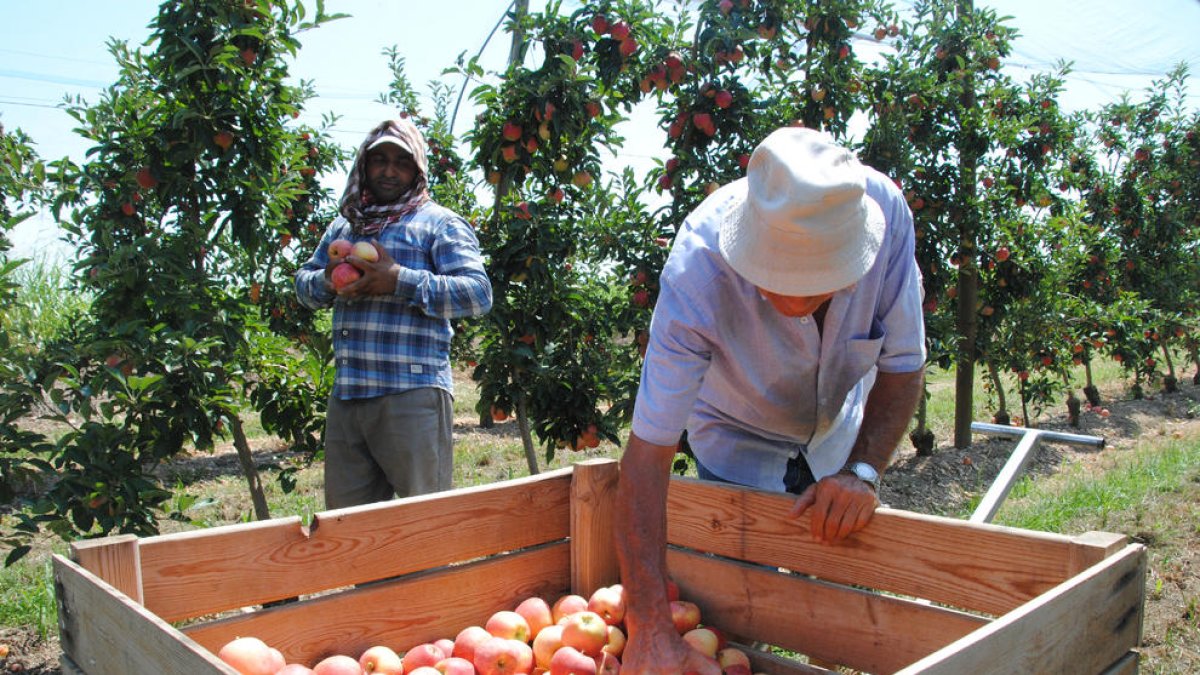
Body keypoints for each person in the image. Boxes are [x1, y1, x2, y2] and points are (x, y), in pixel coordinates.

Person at [614, 126, 926, 674]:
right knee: (746, 608)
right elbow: (646, 457)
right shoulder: (697, 271)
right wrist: (648, 625)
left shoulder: (884, 218)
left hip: (838, 434)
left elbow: (903, 365)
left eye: (814, 286)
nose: (791, 300)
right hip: (736, 434)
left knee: (832, 610)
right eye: (772, 279)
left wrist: (864, 470)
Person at [295, 118, 492, 509]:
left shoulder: (438, 223)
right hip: (349, 396)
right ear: (363, 167)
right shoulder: (346, 226)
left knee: (425, 522)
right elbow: (304, 284)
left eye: (401, 162)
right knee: (350, 530)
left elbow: (478, 294)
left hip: (410, 395)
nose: (388, 170)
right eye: (379, 160)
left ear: (416, 170)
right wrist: (328, 281)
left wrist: (398, 280)